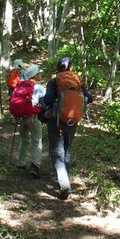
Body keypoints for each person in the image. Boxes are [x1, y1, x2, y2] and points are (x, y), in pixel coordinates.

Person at [42, 56, 93, 200]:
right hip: (73, 120)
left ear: (58, 68)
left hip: (56, 121)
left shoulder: (54, 81)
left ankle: (64, 183)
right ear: (70, 67)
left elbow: (48, 100)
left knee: (56, 151)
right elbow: (90, 98)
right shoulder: (78, 82)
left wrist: (44, 105)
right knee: (67, 149)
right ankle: (66, 180)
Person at [13, 64, 46, 178]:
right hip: (34, 117)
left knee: (24, 140)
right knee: (36, 141)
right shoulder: (40, 88)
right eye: (39, 73)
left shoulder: (21, 86)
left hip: (22, 118)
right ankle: (35, 166)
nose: (41, 75)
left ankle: (21, 162)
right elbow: (45, 101)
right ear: (35, 76)